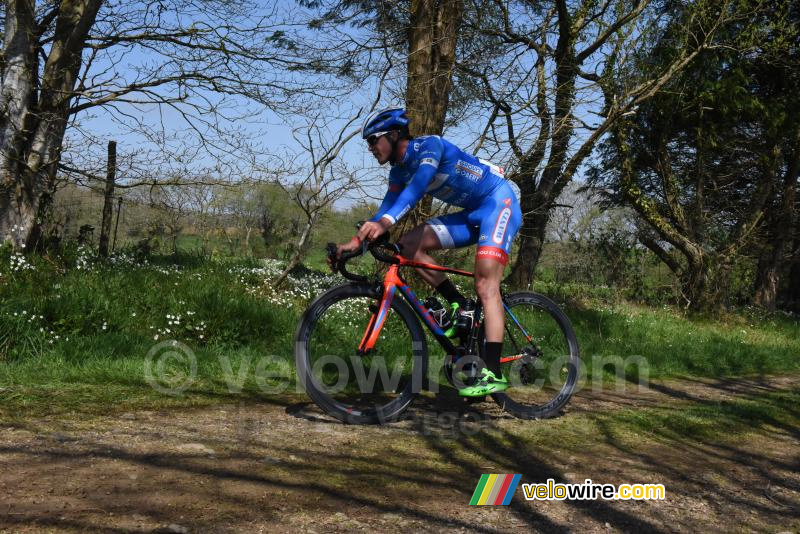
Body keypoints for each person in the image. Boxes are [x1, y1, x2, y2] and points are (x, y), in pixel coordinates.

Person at [334, 107, 522, 397]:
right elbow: (385, 208)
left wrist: (385, 222)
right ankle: (460, 304)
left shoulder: (429, 146)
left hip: (498, 204)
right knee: (409, 246)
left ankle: (492, 372)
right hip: (471, 213)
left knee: (486, 283)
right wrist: (354, 244)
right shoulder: (398, 171)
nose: (371, 148)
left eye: (373, 140)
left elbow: (419, 185)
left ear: (394, 134)